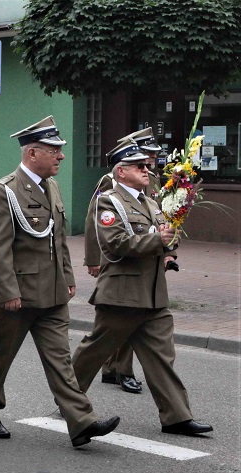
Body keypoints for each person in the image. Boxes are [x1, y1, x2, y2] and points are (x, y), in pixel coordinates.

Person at [0, 116, 120, 448]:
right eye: (54, 150)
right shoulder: (5, 190)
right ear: (32, 153)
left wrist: (67, 277)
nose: (61, 156)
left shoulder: (51, 186)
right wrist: (8, 290)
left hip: (52, 293)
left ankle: (81, 422)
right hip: (17, 295)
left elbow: (58, 239)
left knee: (61, 361)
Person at [71, 140, 212, 438]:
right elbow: (115, 243)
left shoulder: (151, 202)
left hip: (153, 294)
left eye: (146, 165)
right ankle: (68, 397)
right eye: (138, 166)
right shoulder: (109, 202)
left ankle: (177, 417)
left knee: (162, 357)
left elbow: (164, 236)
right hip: (122, 294)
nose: (146, 169)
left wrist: (170, 243)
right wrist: (157, 240)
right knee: (94, 351)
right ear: (121, 172)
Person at [83, 128, 172, 395]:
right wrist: (93, 259)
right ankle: (117, 370)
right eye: (146, 156)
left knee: (132, 325)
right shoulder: (110, 184)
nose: (150, 162)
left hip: (147, 261)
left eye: (152, 157)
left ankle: (114, 370)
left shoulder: (150, 179)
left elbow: (157, 218)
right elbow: (95, 221)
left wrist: (168, 249)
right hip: (120, 259)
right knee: (117, 324)